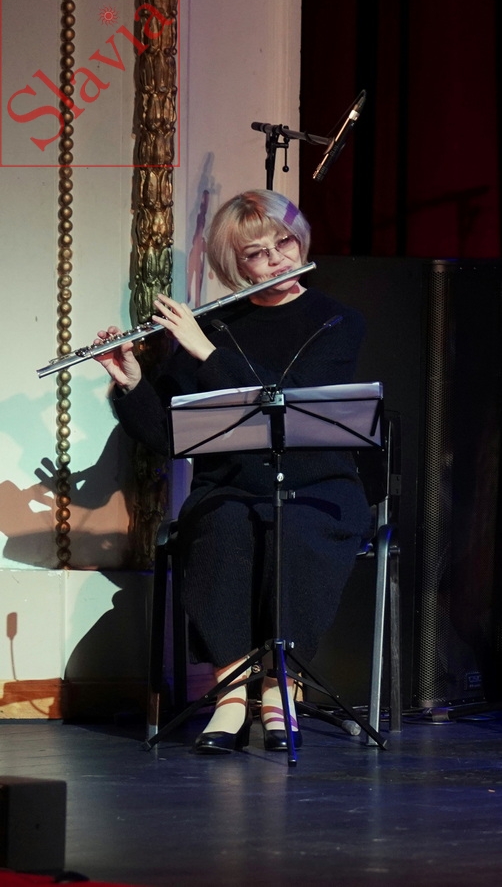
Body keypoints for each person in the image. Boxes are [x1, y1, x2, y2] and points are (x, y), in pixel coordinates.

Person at [95, 189, 369, 753]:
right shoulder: (214, 326)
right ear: (235, 265)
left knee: (294, 530)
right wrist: (133, 384)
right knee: (220, 527)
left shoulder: (337, 320)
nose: (278, 260)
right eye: (256, 254)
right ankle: (230, 693)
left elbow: (287, 398)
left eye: (284, 243)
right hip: (229, 486)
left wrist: (206, 353)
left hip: (318, 486)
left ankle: (281, 688)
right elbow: (167, 435)